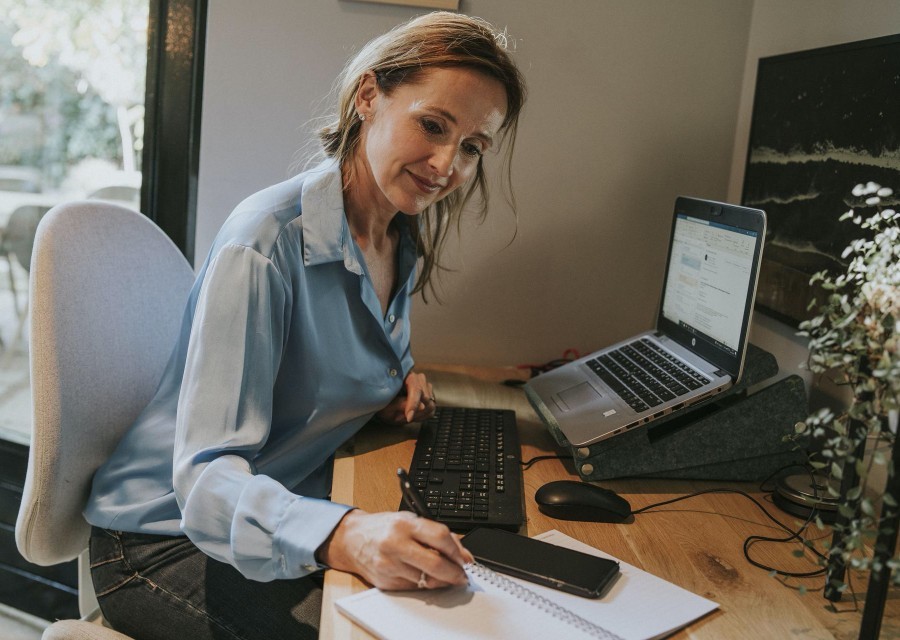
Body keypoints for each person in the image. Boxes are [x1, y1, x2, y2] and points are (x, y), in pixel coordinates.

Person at [82, 10, 526, 640]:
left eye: (472, 147)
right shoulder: (263, 243)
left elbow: (329, 364)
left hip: (277, 514)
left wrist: (390, 387)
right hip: (163, 542)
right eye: (432, 125)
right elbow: (206, 480)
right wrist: (348, 534)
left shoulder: (398, 233)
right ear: (368, 96)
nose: (445, 163)